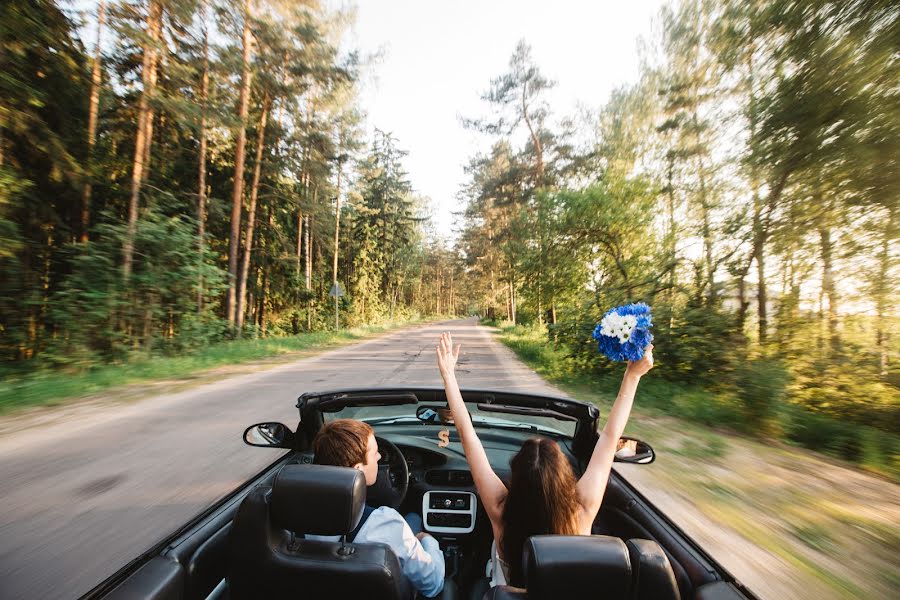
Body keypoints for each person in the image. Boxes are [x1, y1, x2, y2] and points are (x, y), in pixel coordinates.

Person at [435, 332, 654, 587]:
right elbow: (609, 438)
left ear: (515, 479)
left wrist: (449, 376)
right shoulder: (581, 511)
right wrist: (632, 376)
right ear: (564, 477)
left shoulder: (500, 511)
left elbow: (466, 433)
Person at [308, 419, 445, 598]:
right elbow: (433, 584)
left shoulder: (295, 514)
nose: (380, 457)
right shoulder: (385, 523)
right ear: (358, 469)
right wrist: (427, 540)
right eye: (374, 453)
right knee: (414, 519)